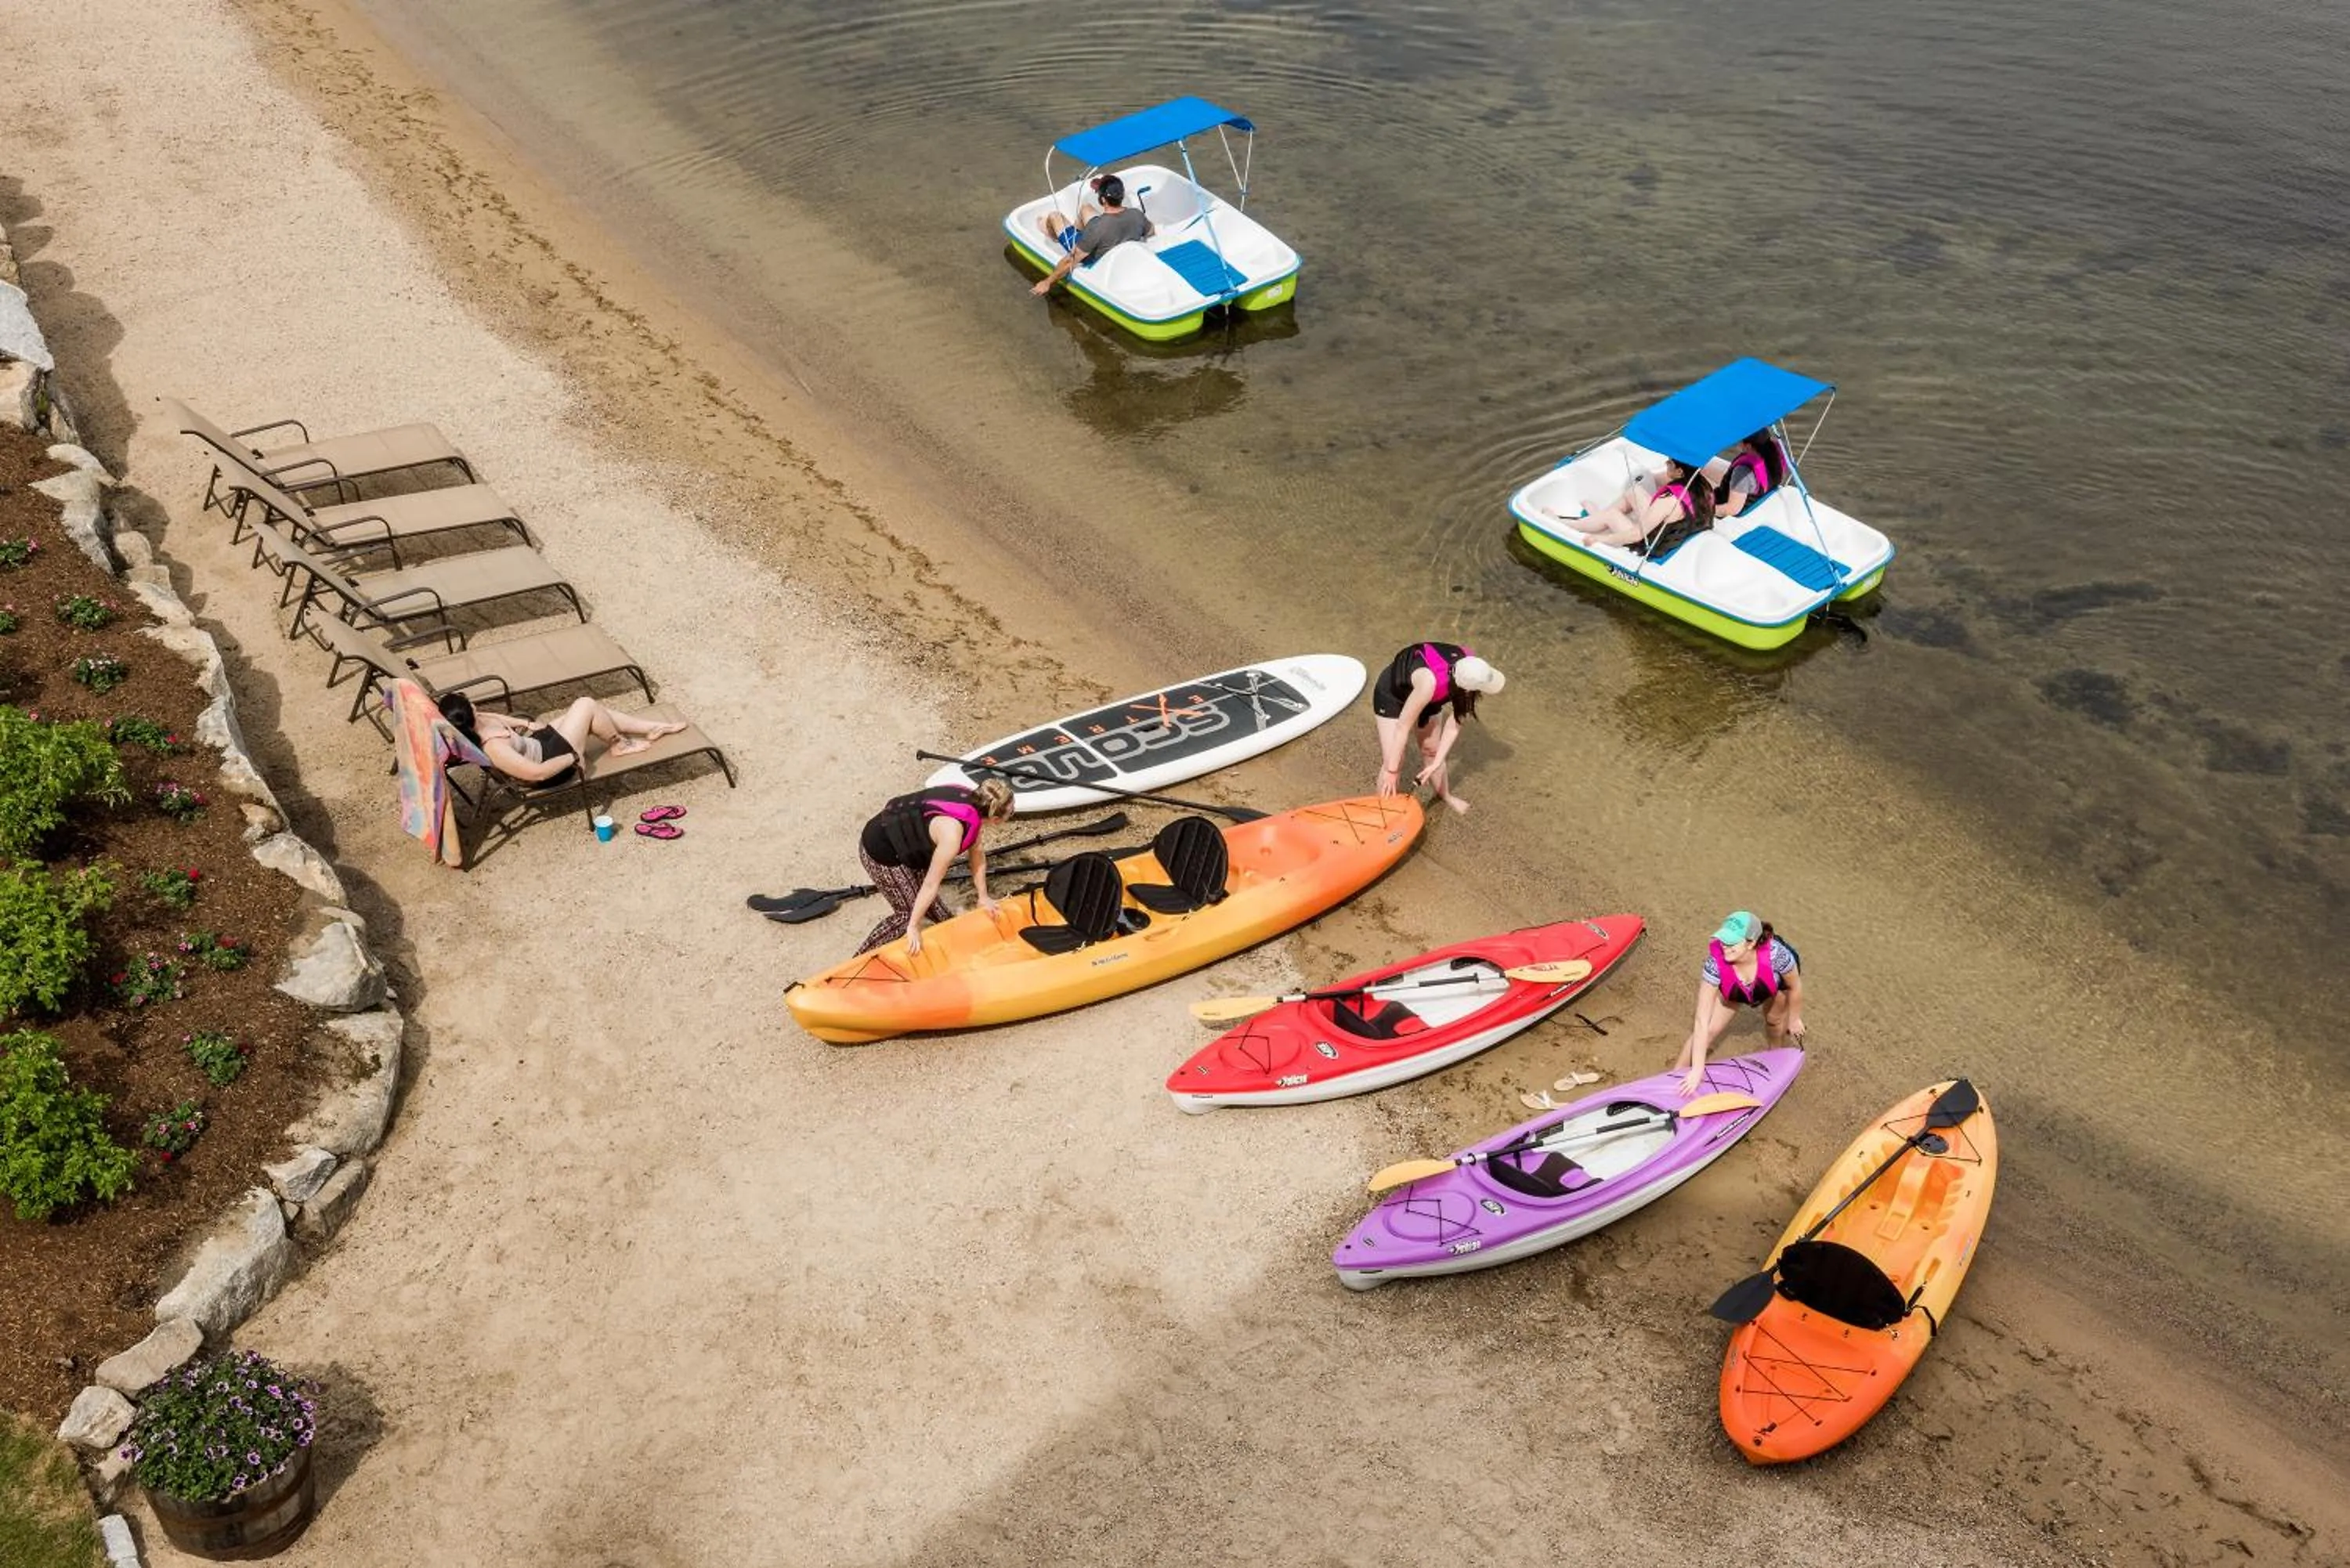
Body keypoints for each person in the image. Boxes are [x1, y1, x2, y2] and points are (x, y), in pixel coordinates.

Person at [855, 779, 1018, 955]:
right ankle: (857, 961)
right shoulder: (952, 836)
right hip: (881, 849)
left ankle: (952, 955)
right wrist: (914, 926)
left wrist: (983, 896)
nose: (1013, 813)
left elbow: (976, 852)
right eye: (1012, 812)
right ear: (994, 819)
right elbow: (931, 884)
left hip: (908, 846)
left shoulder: (974, 802)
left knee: (942, 918)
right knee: (907, 915)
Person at [1676, 910, 1806, 1093]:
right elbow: (1701, 1020)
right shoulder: (1715, 964)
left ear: (1751, 942)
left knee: (1774, 1022)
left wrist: (1794, 1019)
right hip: (1737, 988)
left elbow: (1795, 986)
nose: (1725, 947)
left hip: (1772, 987)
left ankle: (1774, 1061)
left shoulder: (1778, 956)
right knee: (1709, 1030)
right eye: (1723, 940)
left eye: (1732, 942)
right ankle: (1674, 1076)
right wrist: (1697, 1070)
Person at [436, 692, 686, 786]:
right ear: (469, 714)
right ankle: (619, 744)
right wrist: (572, 757)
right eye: (469, 701)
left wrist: (525, 723)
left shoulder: (478, 720)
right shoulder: (494, 748)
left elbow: (498, 718)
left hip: (541, 743)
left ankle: (652, 728)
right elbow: (537, 774)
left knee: (595, 713)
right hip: (555, 764)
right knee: (585, 704)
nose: (474, 701)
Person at [1370, 641, 1506, 815]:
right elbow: (1402, 727)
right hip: (1393, 695)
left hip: (1431, 696)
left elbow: (1453, 726)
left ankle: (1446, 795)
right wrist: (1392, 771)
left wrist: (1435, 764)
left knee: (1432, 750)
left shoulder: (1471, 667)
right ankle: (1382, 813)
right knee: (1394, 759)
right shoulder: (1430, 683)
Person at [1546, 458, 1715, 556]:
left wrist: (1602, 539)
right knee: (1634, 492)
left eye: (1670, 463)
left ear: (1680, 473)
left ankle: (1568, 524)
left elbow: (1637, 535)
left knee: (1612, 515)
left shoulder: (1669, 501)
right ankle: (1597, 519)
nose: (1666, 463)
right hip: (1676, 531)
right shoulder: (1702, 486)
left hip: (1651, 544)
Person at [1031, 174, 1155, 297]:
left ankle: (1055, 236)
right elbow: (1151, 231)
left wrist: (1047, 282)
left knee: (1053, 216)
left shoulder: (1098, 228)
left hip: (1091, 253)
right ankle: (1077, 231)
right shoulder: (1137, 214)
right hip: (1106, 238)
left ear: (1103, 200)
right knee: (1086, 208)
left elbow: (1070, 261)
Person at [1712, 429, 1786, 519]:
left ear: (1748, 446)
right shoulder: (1774, 456)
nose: (1738, 443)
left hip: (1728, 510)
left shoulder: (1743, 472)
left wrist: (1708, 511)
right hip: (1755, 497)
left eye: (1740, 441)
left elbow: (1733, 509)